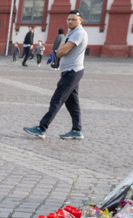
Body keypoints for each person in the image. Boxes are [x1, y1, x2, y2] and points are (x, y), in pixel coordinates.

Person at [23, 10, 88, 141]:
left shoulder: (79, 33)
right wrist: (60, 50)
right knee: (72, 103)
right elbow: (62, 49)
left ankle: (42, 128)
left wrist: (59, 51)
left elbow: (63, 50)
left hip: (72, 71)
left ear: (80, 20)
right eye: (68, 19)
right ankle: (77, 130)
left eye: (73, 19)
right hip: (70, 71)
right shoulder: (72, 32)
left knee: (57, 100)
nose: (70, 21)